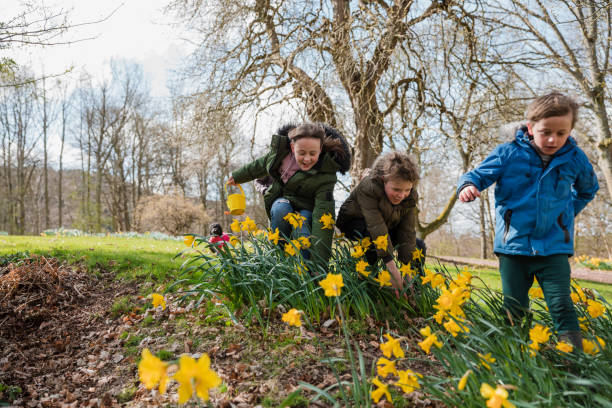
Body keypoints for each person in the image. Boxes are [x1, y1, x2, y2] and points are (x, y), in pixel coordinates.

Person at [457, 92, 599, 351]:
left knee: (560, 303)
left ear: (570, 131)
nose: (553, 139)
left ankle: (574, 361)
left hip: (554, 248)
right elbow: (477, 175)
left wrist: (565, 216)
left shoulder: (576, 158)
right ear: (531, 127)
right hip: (514, 247)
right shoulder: (508, 153)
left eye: (561, 133)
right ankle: (516, 357)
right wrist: (468, 186)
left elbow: (588, 189)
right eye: (546, 132)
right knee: (514, 306)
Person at [227, 122, 351, 268]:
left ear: (320, 149)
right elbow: (260, 165)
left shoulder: (326, 175)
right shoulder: (282, 155)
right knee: (281, 209)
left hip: (308, 208)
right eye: (302, 153)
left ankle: (308, 271)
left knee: (302, 227)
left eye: (313, 153)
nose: (307, 159)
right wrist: (237, 176)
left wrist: (320, 265)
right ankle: (281, 262)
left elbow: (323, 219)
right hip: (282, 200)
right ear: (293, 147)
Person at [336, 151, 426, 298]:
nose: (401, 195)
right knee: (371, 240)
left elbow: (407, 232)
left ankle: (414, 292)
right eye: (396, 189)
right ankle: (370, 288)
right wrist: (392, 269)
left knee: (418, 246)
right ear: (383, 179)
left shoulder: (410, 198)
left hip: (385, 224)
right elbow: (376, 227)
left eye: (407, 190)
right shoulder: (369, 187)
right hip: (355, 222)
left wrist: (406, 269)